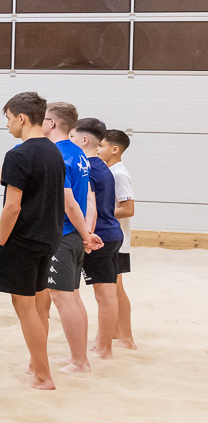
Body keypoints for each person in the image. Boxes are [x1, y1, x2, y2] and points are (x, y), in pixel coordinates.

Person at [0, 92, 66, 391]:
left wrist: (0, 240)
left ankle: (43, 375)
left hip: (23, 238)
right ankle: (37, 365)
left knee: (25, 307)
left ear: (22, 118)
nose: (8, 125)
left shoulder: (18, 154)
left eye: (8, 119)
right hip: (49, 236)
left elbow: (12, 206)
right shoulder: (54, 150)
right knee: (38, 303)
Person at [38, 102, 103, 374]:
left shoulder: (58, 155)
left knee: (63, 298)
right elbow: (87, 198)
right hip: (74, 234)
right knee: (72, 296)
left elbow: (70, 203)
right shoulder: (79, 153)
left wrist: (86, 233)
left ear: (51, 123)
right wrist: (86, 232)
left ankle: (79, 361)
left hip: (64, 234)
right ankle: (79, 358)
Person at [72, 119, 124, 361]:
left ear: (84, 140)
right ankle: (102, 343)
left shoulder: (89, 167)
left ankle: (105, 347)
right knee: (109, 292)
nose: (69, 140)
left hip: (100, 236)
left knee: (104, 294)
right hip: (112, 232)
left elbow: (90, 207)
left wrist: (86, 235)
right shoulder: (102, 165)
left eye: (72, 136)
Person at [100, 129, 137, 349]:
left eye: (101, 145)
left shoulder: (119, 174)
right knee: (111, 287)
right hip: (112, 238)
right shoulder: (110, 171)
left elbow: (128, 209)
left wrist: (100, 212)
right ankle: (114, 332)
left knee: (116, 288)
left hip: (118, 241)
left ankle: (126, 337)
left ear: (115, 149)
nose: (98, 149)